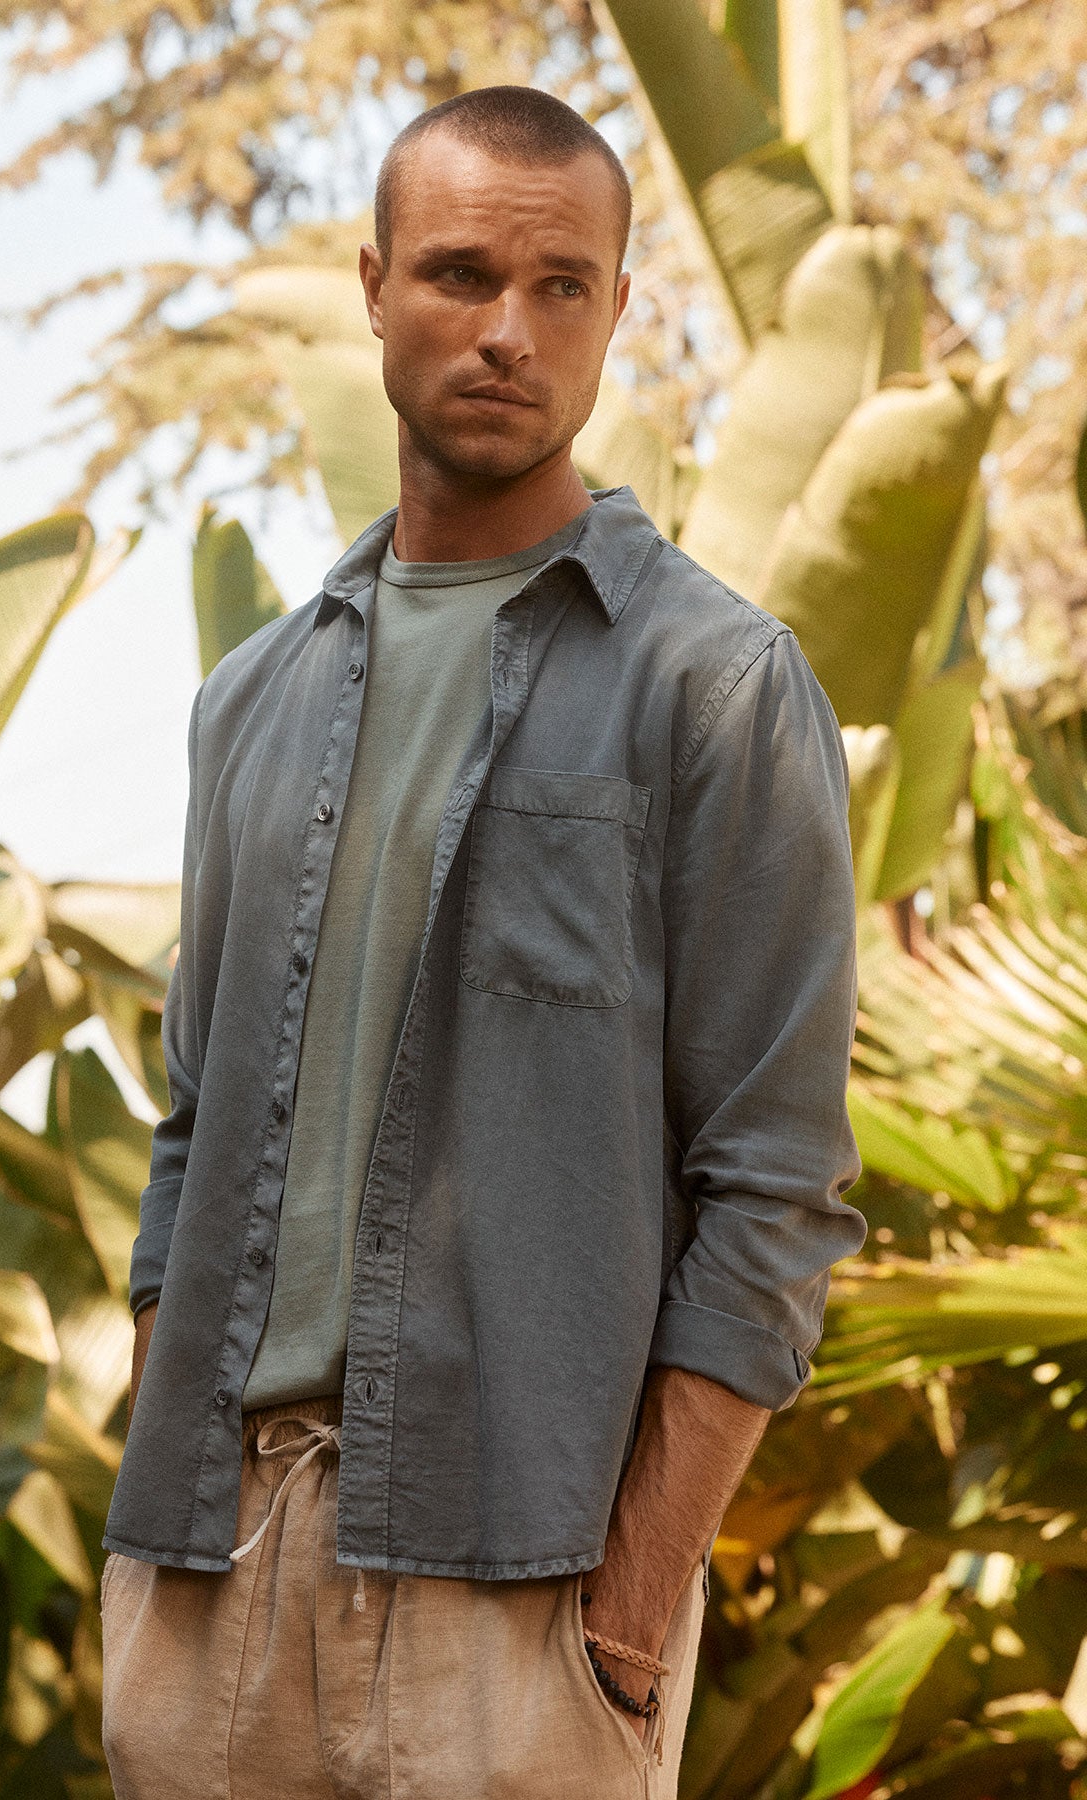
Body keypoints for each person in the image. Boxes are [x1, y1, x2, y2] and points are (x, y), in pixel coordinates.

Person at [99, 83, 866, 1800]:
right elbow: (191, 1129)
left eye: (562, 286)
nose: (510, 332)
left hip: (516, 1608)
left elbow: (777, 1186)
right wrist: (161, 1488)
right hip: (209, 1574)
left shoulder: (714, 688)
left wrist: (639, 1598)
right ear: (374, 288)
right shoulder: (253, 702)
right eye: (458, 275)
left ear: (614, 311)